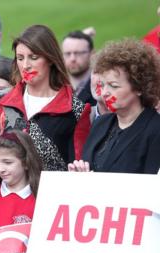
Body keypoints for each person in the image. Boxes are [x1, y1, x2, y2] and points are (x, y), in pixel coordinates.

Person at [0, 25, 91, 183]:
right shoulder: (1, 98)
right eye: (20, 58)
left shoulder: (76, 109)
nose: (26, 65)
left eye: (33, 57)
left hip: (47, 200)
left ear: (50, 59)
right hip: (5, 197)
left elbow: (76, 163)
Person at [68, 39, 160, 174]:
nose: (104, 93)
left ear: (139, 88)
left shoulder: (155, 130)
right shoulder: (101, 123)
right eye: (103, 85)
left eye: (114, 86)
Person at [62, 30, 96, 105]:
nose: (72, 58)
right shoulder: (55, 85)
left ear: (92, 54)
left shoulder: (100, 88)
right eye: (67, 54)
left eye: (78, 53)